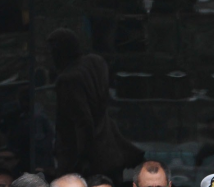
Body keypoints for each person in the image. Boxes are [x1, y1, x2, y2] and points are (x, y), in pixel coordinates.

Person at [50, 28, 145, 178]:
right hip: (108, 148)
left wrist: (83, 159)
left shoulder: (68, 79)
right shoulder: (95, 62)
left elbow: (83, 122)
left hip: (86, 157)